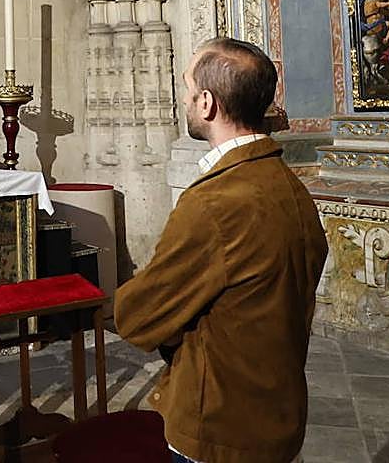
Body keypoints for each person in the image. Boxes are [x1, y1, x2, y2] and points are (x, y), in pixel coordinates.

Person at [115, 38, 328, 463]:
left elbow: (136, 316)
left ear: (207, 103)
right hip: (278, 417)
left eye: (188, 88)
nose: (185, 99)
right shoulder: (289, 185)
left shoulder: (213, 203)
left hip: (219, 426)